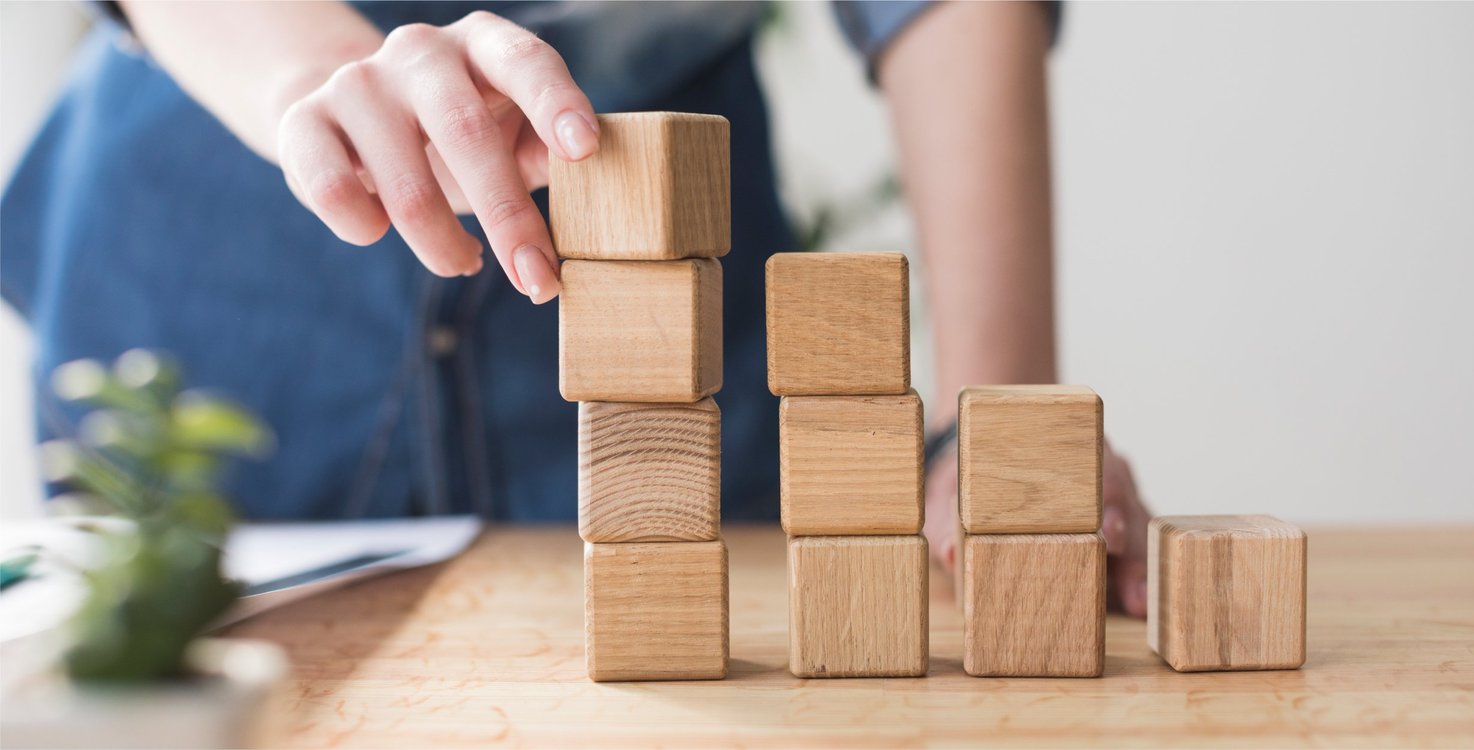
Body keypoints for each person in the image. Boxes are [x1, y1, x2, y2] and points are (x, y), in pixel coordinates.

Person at [1, 1, 1153, 615]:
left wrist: (991, 419)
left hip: (649, 208)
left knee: (682, 631)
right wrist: (318, 83)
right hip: (225, 233)